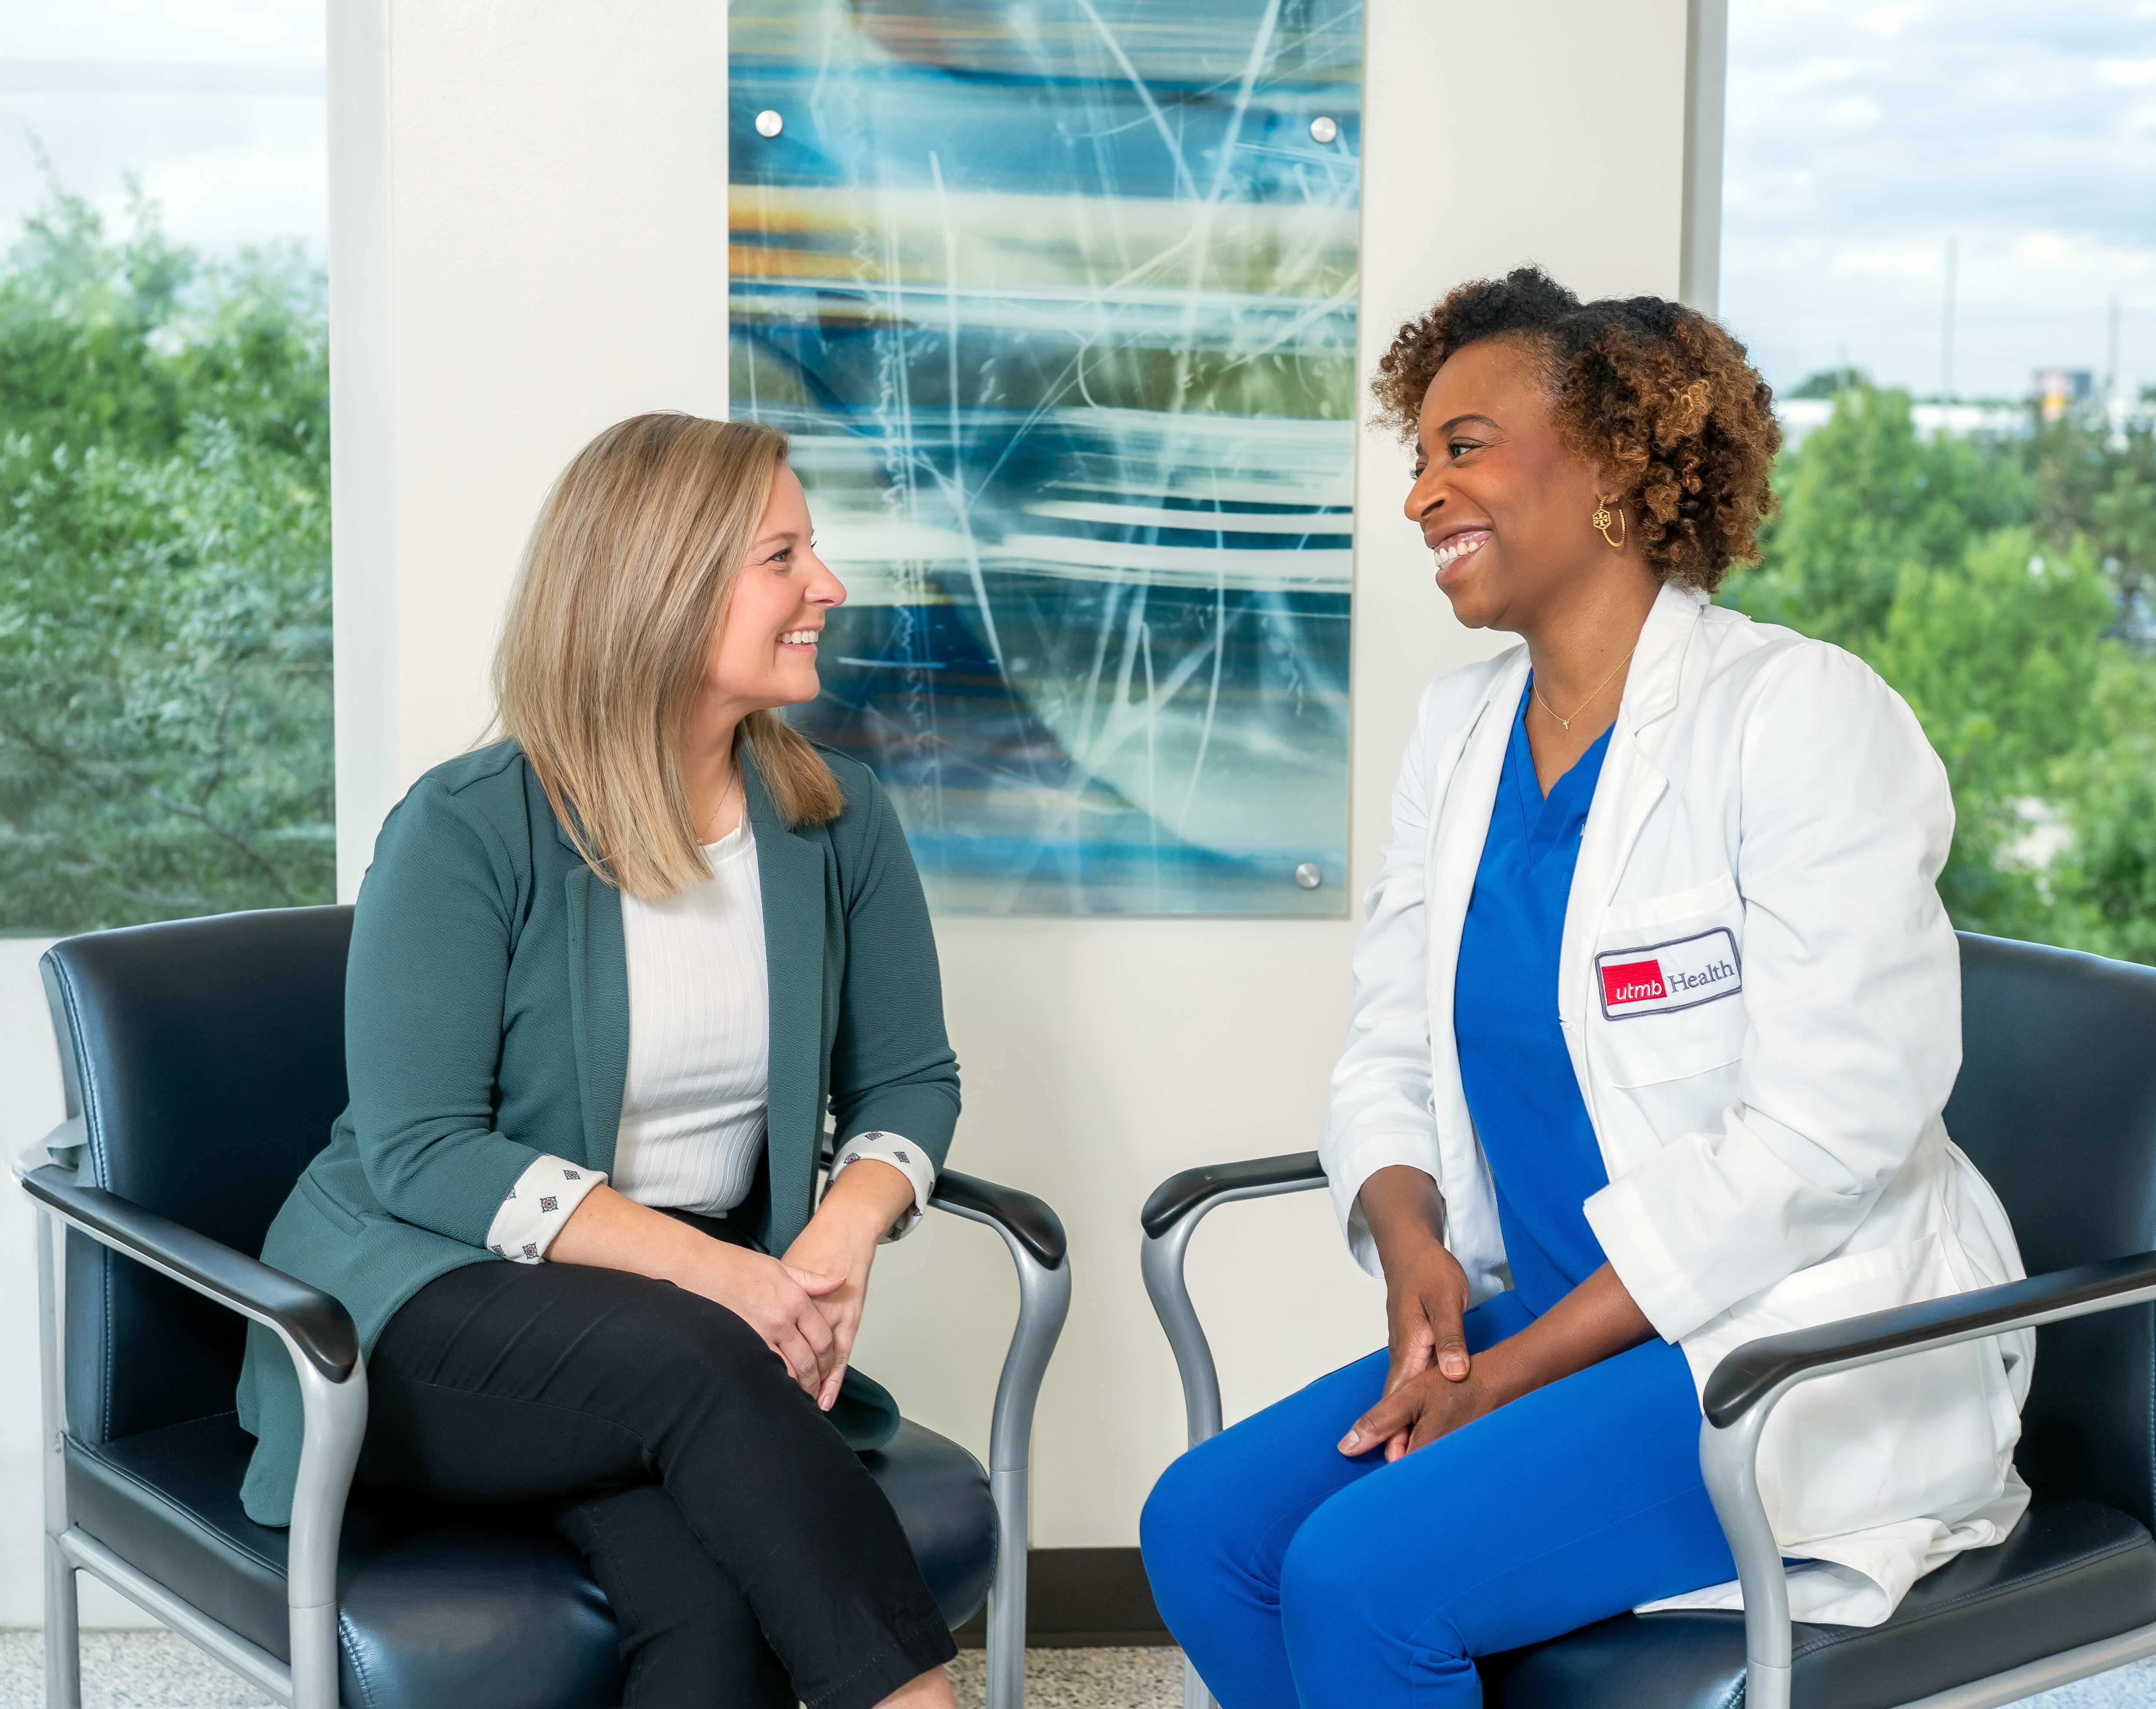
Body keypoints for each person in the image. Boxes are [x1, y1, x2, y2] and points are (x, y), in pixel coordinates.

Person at [1140, 269, 2034, 1707]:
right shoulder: (1462, 731)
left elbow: (1820, 1138)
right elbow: (1388, 1048)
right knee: (1204, 1529)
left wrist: (1503, 1374)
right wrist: (1411, 1243)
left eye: (1465, 444)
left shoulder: (1798, 717)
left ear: (1616, 461)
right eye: (1417, 455)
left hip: (1771, 1347)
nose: (1424, 492)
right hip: (1550, 1314)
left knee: (1360, 1577)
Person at [235, 412, 964, 1709]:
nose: (827, 587)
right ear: (665, 585)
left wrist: (842, 1232)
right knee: (704, 1364)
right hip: (416, 1306)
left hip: (671, 1339)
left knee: (712, 1606)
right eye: (783, 555)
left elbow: (910, 1077)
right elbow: (421, 1147)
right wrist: (721, 1279)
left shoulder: (834, 824)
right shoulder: (467, 826)